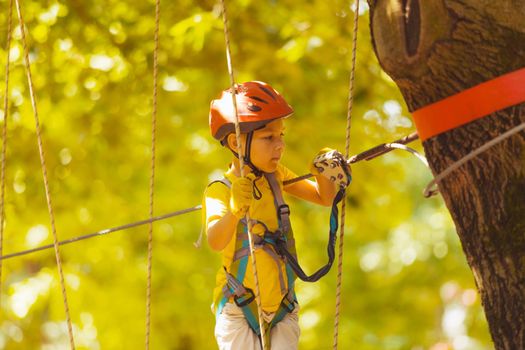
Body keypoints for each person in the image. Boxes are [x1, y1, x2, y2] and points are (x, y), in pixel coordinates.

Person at [203, 81, 351, 350]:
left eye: (281, 135)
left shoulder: (277, 176)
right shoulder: (220, 190)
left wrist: (324, 169)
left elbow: (323, 197)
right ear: (237, 142)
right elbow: (215, 240)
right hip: (238, 307)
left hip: (283, 306)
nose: (280, 145)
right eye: (269, 138)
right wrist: (235, 211)